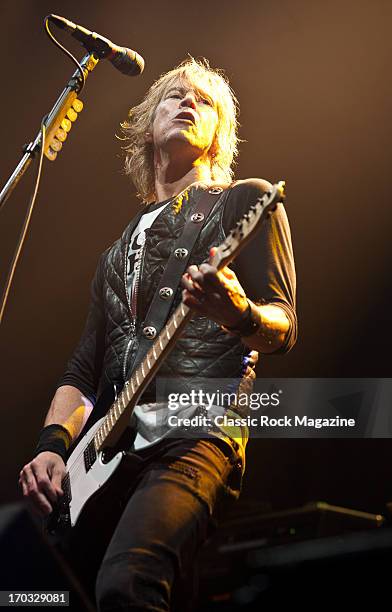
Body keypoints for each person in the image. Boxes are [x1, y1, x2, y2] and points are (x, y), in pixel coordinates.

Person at [19, 58, 297, 611]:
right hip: (104, 456)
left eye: (205, 100)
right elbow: (82, 371)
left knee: (128, 584)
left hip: (194, 435)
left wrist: (239, 313)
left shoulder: (245, 200)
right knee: (33, 595)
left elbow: (283, 325)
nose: (189, 101)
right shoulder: (114, 254)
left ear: (219, 134)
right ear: (149, 124)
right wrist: (53, 448)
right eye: (175, 95)